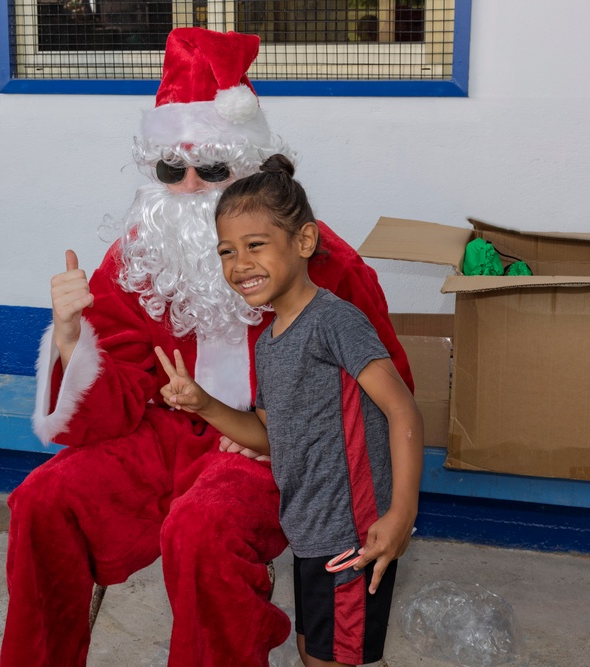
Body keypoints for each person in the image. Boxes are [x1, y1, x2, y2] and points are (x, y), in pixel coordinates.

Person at [0, 27, 414, 666]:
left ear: (249, 168)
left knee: (203, 530)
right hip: (167, 431)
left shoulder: (325, 265)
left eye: (213, 169)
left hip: (269, 447)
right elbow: (108, 404)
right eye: (173, 169)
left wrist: (289, 439)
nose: (191, 186)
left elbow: (385, 397)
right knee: (43, 501)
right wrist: (71, 339)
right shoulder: (137, 256)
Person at [155, 154, 423, 667]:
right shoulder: (270, 342)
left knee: (333, 659)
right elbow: (268, 435)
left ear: (303, 242)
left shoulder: (335, 321)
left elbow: (403, 411)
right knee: (312, 650)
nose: (240, 264)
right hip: (309, 533)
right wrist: (203, 403)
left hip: (352, 533)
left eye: (255, 245)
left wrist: (400, 514)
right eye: (227, 251)